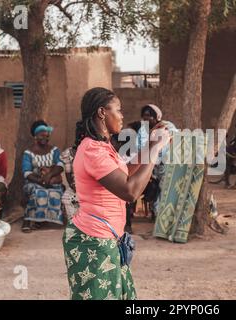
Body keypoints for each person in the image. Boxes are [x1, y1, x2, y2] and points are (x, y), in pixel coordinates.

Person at [63, 87, 170, 300]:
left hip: (108, 238)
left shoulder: (104, 147)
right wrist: (156, 150)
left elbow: (126, 173)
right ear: (102, 112)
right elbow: (130, 191)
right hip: (94, 242)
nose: (122, 116)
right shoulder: (93, 150)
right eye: (118, 110)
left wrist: (150, 143)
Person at [21, 121, 65, 233]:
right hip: (34, 181)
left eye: (47, 136)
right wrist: (41, 181)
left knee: (56, 192)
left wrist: (49, 176)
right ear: (35, 136)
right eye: (42, 135)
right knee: (37, 192)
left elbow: (60, 165)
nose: (45, 138)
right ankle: (27, 220)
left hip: (51, 180)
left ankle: (40, 220)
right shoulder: (28, 153)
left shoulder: (54, 150)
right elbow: (26, 172)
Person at [136, 104, 178, 218]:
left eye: (148, 116)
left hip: (167, 165)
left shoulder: (168, 127)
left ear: (156, 117)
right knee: (154, 190)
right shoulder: (142, 130)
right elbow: (139, 147)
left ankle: (163, 217)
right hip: (150, 166)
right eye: (144, 116)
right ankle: (156, 213)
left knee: (165, 190)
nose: (145, 119)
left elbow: (174, 144)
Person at [60, 146, 79, 221]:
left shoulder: (94, 150)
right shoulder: (69, 152)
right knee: (66, 197)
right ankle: (73, 222)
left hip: (89, 185)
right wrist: (72, 185)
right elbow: (68, 173)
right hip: (76, 183)